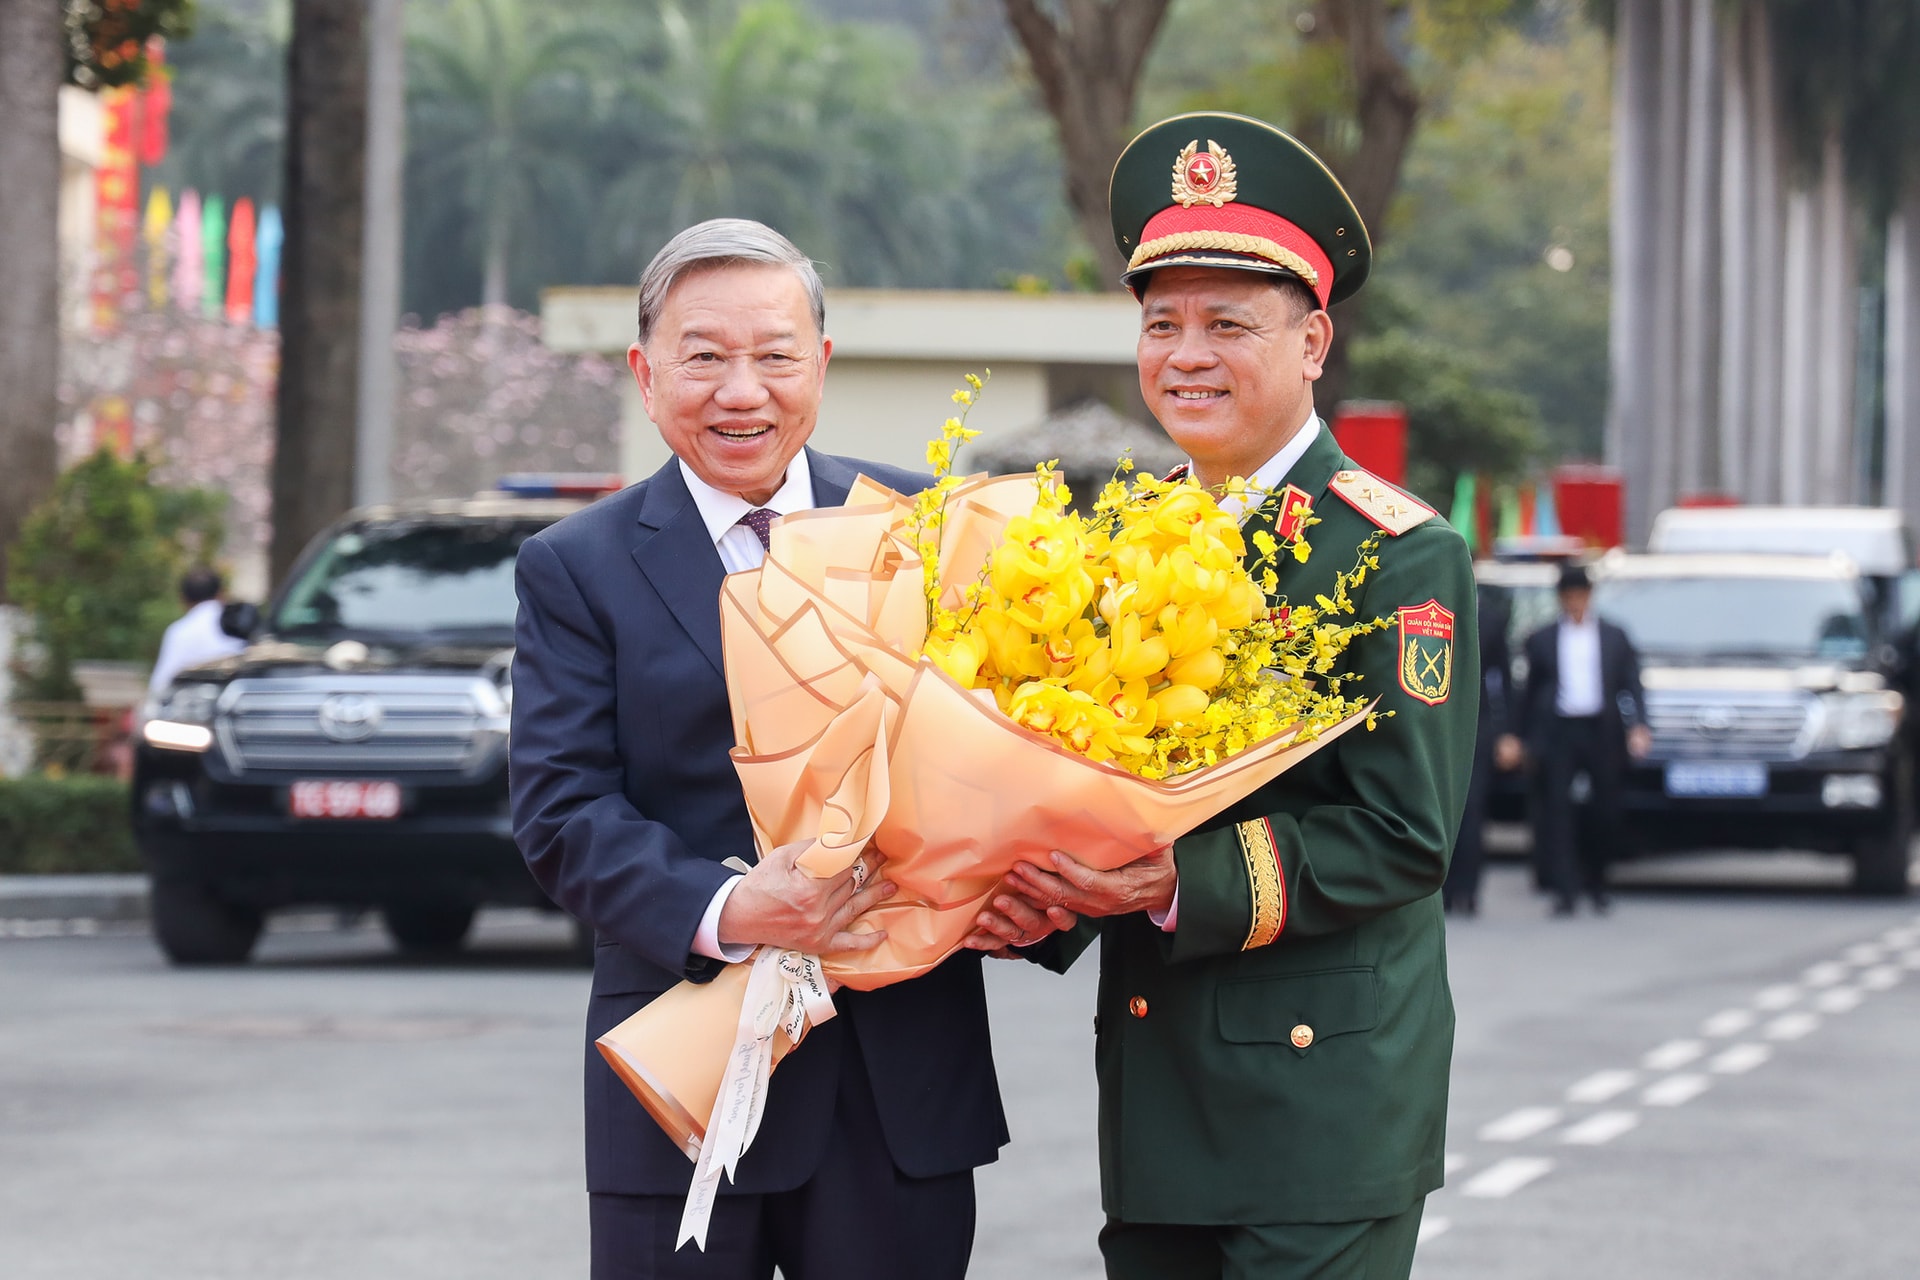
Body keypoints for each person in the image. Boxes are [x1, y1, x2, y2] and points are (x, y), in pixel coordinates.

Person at [969, 112, 1479, 1279]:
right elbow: (1104, 791)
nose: (1186, 354)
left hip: (1321, 1106)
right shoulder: (1122, 542)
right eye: (1162, 323)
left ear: (1313, 341)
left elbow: (1402, 834)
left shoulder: (1398, 552)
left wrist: (1165, 880)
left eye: (1228, 325)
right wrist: (1043, 900)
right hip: (1159, 1101)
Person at [510, 219, 1006, 1280]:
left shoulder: (922, 531)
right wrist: (734, 909)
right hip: (686, 1083)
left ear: (820, 364)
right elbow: (561, 811)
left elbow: (1007, 760)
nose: (743, 390)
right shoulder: (577, 566)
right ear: (646, 375)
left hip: (899, 1089)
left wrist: (1031, 894)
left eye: (775, 355)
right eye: (704, 356)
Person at [1498, 562, 1650, 916]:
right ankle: (1565, 889)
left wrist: (1639, 726)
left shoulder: (1614, 636)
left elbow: (1632, 683)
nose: (1575, 603)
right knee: (1556, 811)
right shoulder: (1543, 639)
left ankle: (1597, 882)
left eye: (1580, 596)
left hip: (1601, 731)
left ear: (1590, 596)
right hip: (1559, 732)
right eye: (1568, 597)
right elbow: (1529, 692)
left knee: (1604, 810)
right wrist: (1515, 736)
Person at [1443, 586, 1512, 916]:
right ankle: (1442, 890)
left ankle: (1468, 890)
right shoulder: (1438, 609)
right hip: (1439, 722)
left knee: (1473, 810)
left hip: (1478, 724)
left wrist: (1506, 733)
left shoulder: (1492, 619)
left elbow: (1505, 679)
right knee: (1442, 808)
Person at [148, 566, 245, 693]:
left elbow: (160, 684)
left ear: (183, 599)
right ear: (221, 594)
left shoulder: (179, 631)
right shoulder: (240, 624)